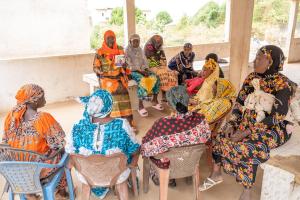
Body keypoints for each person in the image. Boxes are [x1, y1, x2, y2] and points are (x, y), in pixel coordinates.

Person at [199, 45, 295, 200]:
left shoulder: (283, 84)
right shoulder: (252, 78)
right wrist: (232, 123)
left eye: (258, 58)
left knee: (247, 147)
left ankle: (246, 192)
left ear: (271, 62)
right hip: (248, 120)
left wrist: (247, 131)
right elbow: (239, 103)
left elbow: (278, 116)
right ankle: (216, 173)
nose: (254, 61)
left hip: (274, 127)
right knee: (222, 134)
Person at [66, 89, 140, 199]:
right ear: (110, 107)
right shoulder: (122, 125)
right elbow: (134, 150)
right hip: (117, 175)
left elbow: (70, 152)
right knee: (131, 153)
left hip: (86, 176)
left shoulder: (77, 127)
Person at [2, 84, 67, 200]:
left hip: (16, 169)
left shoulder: (11, 116)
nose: (45, 99)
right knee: (64, 152)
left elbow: (5, 141)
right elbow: (58, 143)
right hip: (37, 169)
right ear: (35, 102)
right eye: (42, 97)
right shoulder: (43, 118)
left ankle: (29, 193)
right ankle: (61, 192)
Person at [141, 85, 211, 186]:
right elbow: (207, 139)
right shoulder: (201, 119)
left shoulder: (162, 124)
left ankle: (168, 179)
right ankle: (187, 173)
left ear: (169, 104)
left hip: (169, 164)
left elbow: (146, 147)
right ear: (188, 100)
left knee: (152, 153)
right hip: (191, 161)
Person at [93, 30, 135, 129]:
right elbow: (95, 66)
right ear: (105, 39)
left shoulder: (120, 49)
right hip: (106, 78)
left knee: (124, 93)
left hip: (118, 77)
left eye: (112, 38)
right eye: (109, 38)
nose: (111, 40)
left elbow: (124, 65)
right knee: (112, 93)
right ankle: (114, 124)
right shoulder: (100, 51)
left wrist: (125, 65)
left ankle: (128, 123)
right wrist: (99, 71)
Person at [125, 34, 161, 117]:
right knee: (143, 80)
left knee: (155, 77)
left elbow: (144, 61)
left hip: (142, 70)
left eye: (138, 41)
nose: (136, 43)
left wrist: (146, 70)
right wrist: (141, 72)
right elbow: (129, 65)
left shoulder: (140, 49)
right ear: (130, 41)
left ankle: (154, 100)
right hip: (133, 72)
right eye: (134, 41)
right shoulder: (127, 50)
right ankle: (140, 106)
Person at [144, 35, 178, 102]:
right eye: (157, 42)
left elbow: (163, 58)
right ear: (153, 41)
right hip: (151, 67)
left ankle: (170, 93)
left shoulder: (160, 48)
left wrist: (163, 65)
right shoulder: (148, 47)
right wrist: (159, 66)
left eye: (160, 42)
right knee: (162, 73)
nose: (159, 43)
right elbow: (149, 60)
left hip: (160, 65)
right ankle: (164, 93)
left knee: (172, 73)